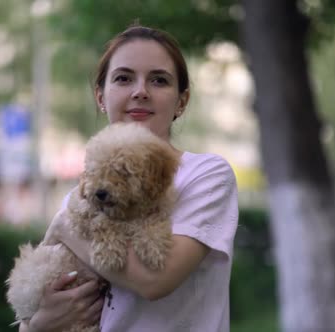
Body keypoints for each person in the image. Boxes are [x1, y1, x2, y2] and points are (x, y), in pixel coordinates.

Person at [20, 25, 238, 332]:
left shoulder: (207, 175)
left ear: (182, 101)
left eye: (159, 80)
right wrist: (40, 325)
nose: (140, 91)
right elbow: (32, 317)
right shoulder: (88, 189)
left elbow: (156, 281)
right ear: (100, 96)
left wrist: (65, 228)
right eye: (123, 78)